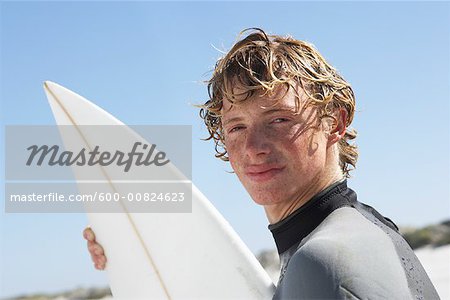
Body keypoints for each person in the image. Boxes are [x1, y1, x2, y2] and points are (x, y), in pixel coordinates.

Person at [84, 28, 439, 299]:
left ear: (337, 122)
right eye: (236, 127)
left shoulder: (323, 261)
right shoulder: (366, 229)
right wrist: (134, 258)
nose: (253, 148)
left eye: (279, 120)